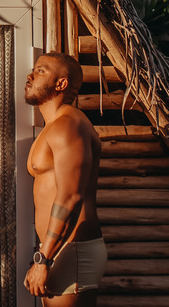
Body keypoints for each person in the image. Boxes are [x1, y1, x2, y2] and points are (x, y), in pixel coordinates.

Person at [24, 51, 106, 305]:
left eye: (41, 71)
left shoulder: (68, 126)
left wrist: (42, 259)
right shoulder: (53, 127)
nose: (30, 75)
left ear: (60, 84)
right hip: (59, 250)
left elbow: (70, 197)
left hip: (71, 250)